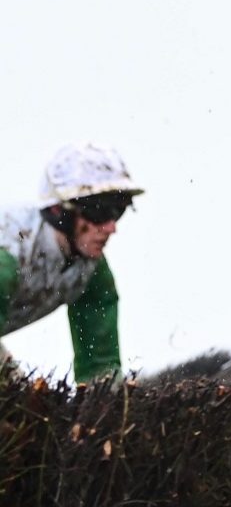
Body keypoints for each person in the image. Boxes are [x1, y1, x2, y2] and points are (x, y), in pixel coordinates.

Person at [0, 144, 142, 383]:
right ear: (59, 211)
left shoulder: (92, 272)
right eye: (99, 213)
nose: (111, 228)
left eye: (118, 212)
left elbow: (101, 369)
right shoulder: (8, 256)